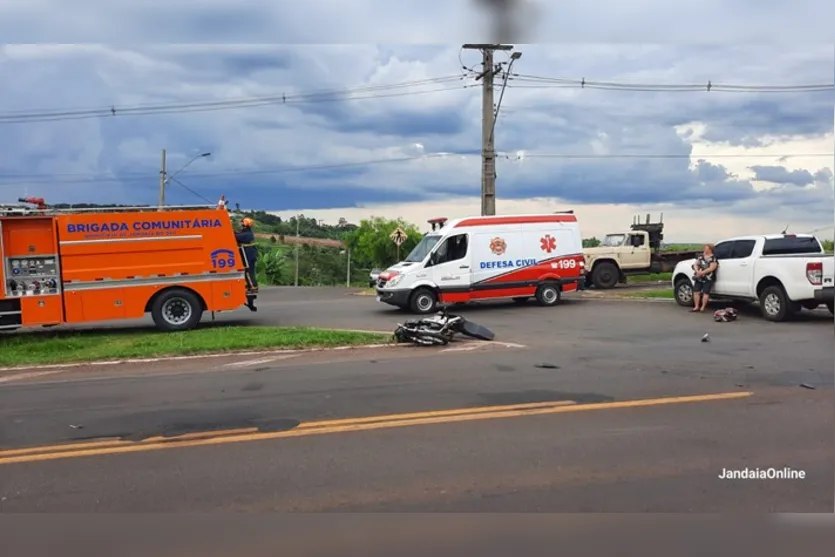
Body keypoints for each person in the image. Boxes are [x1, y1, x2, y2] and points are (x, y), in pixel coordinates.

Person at [691, 243, 718, 312]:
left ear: (710, 249)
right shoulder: (701, 257)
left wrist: (702, 273)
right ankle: (696, 306)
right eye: (704, 248)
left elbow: (712, 268)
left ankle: (703, 307)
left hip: (708, 277)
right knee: (696, 291)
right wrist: (697, 271)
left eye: (706, 248)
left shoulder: (713, 258)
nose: (705, 249)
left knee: (705, 292)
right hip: (699, 277)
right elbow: (695, 264)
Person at [235, 217, 258, 292]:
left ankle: (252, 286)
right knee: (248, 270)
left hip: (249, 254)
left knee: (249, 270)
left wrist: (232, 232)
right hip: (249, 253)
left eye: (242, 223)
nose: (241, 224)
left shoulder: (247, 234)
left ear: (245, 225)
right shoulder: (247, 232)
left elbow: (238, 237)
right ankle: (250, 285)